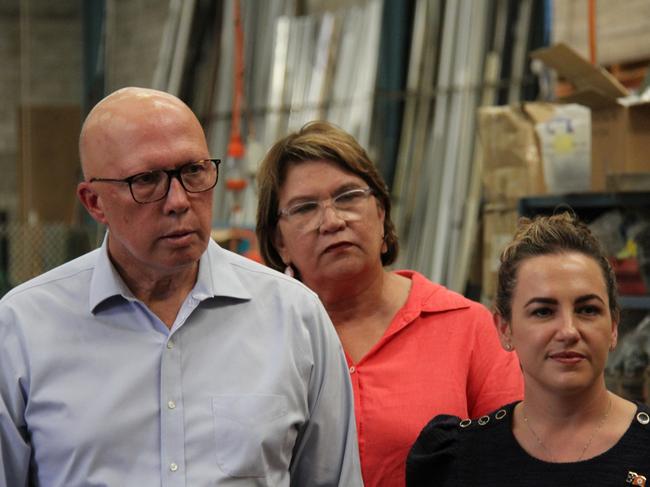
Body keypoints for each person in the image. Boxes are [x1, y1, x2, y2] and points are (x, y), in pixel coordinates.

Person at [0, 88, 363, 486]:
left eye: (193, 172)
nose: (178, 200)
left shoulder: (294, 317)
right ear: (94, 203)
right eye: (147, 180)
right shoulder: (22, 329)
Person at [255, 120, 523, 487]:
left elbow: (514, 463)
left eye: (348, 197)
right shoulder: (257, 338)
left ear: (381, 213)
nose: (331, 221)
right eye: (304, 208)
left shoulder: (468, 327)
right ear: (278, 241)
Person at [406, 212, 650, 486]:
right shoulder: (459, 459)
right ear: (504, 328)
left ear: (614, 327)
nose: (569, 330)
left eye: (587, 310)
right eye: (543, 311)